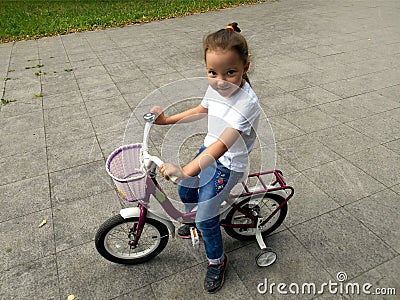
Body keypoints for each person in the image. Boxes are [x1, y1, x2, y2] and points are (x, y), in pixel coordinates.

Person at [150, 22, 261, 293]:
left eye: (230, 72)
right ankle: (194, 221)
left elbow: (223, 146)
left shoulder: (246, 104)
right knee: (185, 191)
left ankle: (217, 261)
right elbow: (201, 109)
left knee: (205, 219)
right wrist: (166, 121)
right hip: (208, 149)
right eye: (212, 72)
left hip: (228, 164)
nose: (219, 81)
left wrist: (187, 168)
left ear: (245, 68)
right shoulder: (218, 87)